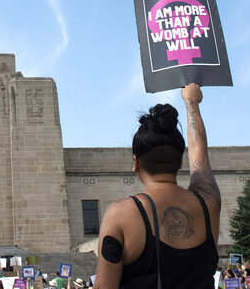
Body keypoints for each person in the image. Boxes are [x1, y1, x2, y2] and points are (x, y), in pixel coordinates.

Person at [94, 83, 220, 289]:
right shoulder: (208, 202)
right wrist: (192, 104)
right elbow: (199, 153)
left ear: (136, 163)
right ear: (180, 161)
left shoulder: (121, 214)